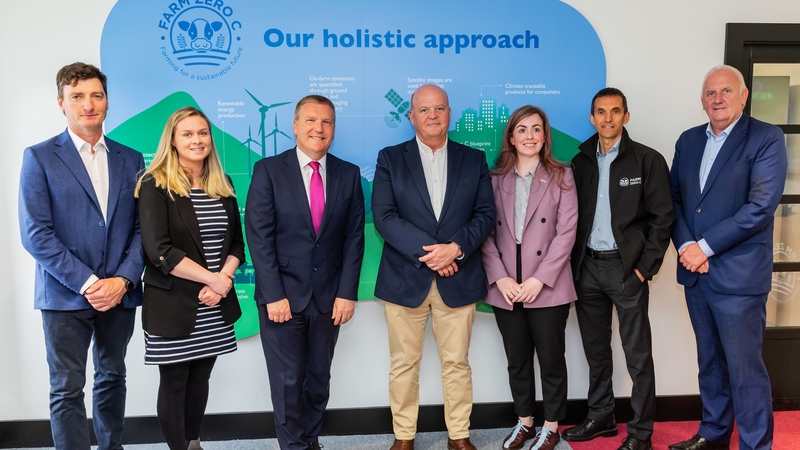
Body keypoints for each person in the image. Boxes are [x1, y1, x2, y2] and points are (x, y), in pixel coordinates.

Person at [18, 62, 145, 450]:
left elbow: (145, 230)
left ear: (107, 101)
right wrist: (91, 284)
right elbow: (35, 234)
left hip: (119, 293)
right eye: (77, 97)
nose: (88, 104)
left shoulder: (131, 157)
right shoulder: (39, 157)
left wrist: (122, 280)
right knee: (67, 388)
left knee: (112, 377)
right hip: (64, 294)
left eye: (96, 95)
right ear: (62, 103)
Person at [668, 65, 787, 450]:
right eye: (710, 93)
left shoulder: (766, 138)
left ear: (743, 95)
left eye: (725, 91)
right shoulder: (688, 141)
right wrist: (688, 249)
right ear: (702, 100)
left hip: (738, 276)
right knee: (710, 363)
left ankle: (755, 445)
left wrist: (703, 248)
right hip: (696, 275)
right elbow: (675, 202)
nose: (717, 99)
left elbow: (760, 207)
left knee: (745, 370)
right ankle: (713, 434)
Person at [372, 84, 496, 450]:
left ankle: (459, 435)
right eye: (424, 110)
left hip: (459, 277)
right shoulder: (390, 158)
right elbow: (384, 216)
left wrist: (454, 249)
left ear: (449, 113)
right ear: (411, 116)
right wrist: (434, 254)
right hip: (404, 279)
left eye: (439, 108)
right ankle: (404, 436)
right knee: (404, 364)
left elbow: (486, 214)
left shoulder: (473, 159)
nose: (432, 116)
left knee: (457, 363)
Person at [245, 95, 365, 450]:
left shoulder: (348, 173)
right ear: (295, 126)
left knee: (318, 380)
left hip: (329, 300)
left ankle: (309, 440)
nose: (319, 128)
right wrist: (274, 294)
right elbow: (259, 236)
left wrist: (347, 292)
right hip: (282, 298)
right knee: (287, 382)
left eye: (327, 122)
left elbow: (354, 239)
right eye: (311, 121)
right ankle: (294, 446)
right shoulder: (269, 170)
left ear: (333, 129)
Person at [563, 88, 674, 450]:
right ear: (592, 118)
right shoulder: (579, 162)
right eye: (600, 112)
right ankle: (602, 416)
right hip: (587, 269)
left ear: (626, 116)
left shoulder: (647, 160)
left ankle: (641, 433)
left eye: (615, 111)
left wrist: (644, 268)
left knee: (637, 355)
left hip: (627, 271)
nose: (607, 118)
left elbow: (663, 219)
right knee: (596, 351)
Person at [136, 106, 244, 450]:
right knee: (176, 381)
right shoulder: (154, 184)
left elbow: (238, 244)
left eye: (202, 133)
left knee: (201, 378)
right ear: (172, 140)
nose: (197, 140)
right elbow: (159, 251)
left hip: (214, 303)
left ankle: (193, 442)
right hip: (173, 303)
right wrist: (213, 280)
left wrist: (223, 279)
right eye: (187, 133)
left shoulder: (222, 183)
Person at [481, 105, 578, 450]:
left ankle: (551, 426)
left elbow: (566, 233)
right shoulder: (493, 179)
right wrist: (501, 279)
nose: (530, 136)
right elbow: (485, 234)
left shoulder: (562, 175)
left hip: (547, 285)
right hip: (507, 285)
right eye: (522, 130)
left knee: (551, 359)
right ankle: (524, 422)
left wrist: (539, 280)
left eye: (536, 129)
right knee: (517, 359)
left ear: (545, 135)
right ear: (511, 136)